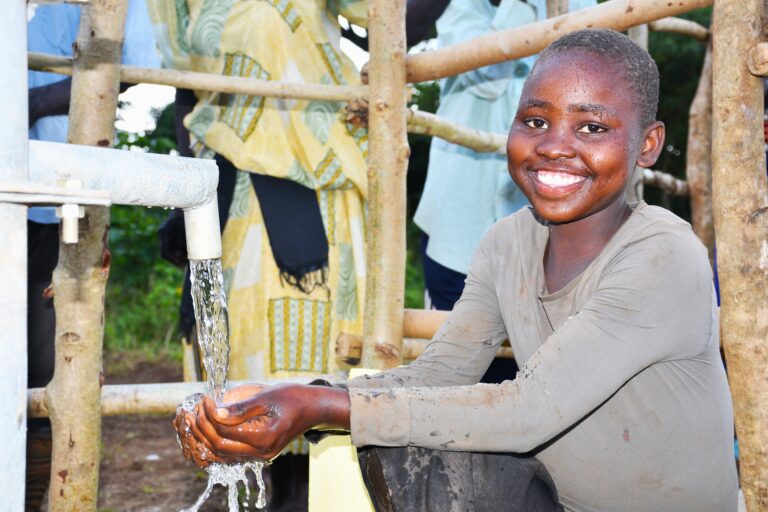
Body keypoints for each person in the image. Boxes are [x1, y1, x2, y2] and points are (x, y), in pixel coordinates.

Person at [175, 29, 738, 511]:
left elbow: (531, 408)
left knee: (411, 428)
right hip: (554, 500)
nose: (555, 147)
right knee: (408, 431)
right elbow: (437, 376)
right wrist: (286, 397)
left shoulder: (664, 254)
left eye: (592, 128)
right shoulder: (507, 242)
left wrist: (315, 407)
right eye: (536, 121)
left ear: (648, 144)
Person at [147, 1, 369, 508]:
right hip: (230, 191)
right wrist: (191, 193)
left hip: (318, 177)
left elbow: (397, 20)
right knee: (240, 379)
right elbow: (188, 91)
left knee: (318, 381)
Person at [408, 0, 596, 383]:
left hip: (545, 240)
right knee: (452, 374)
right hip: (458, 232)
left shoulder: (581, 6)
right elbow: (491, 73)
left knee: (538, 371)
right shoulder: (462, 8)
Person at [25, 4, 159, 510]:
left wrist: (30, 102)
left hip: (59, 190)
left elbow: (124, 69)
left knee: (48, 363)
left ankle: (34, 491)